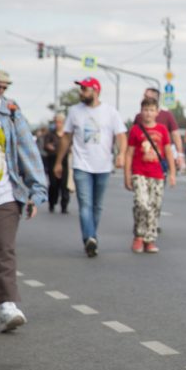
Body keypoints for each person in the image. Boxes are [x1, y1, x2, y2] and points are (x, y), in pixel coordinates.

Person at [0, 56, 47, 332]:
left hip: (3, 194)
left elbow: (28, 150)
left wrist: (37, 189)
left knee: (3, 248)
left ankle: (7, 305)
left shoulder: (10, 113)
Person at [54, 77, 127, 258]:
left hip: (103, 165)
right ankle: (90, 238)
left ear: (96, 91)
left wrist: (121, 154)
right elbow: (66, 137)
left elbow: (121, 136)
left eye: (85, 89)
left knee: (97, 206)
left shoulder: (110, 112)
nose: (82, 92)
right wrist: (58, 161)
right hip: (81, 165)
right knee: (85, 204)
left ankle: (90, 236)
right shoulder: (74, 111)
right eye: (81, 89)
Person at [124, 96, 176, 253]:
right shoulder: (135, 130)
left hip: (157, 174)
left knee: (155, 206)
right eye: (145, 110)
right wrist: (127, 175)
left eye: (151, 110)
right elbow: (129, 154)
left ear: (157, 112)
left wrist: (172, 173)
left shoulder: (162, 130)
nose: (148, 113)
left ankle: (150, 239)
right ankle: (139, 236)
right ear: (141, 112)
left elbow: (167, 152)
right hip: (139, 172)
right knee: (141, 203)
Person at [132, 88, 184, 171]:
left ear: (155, 98)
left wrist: (180, 155)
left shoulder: (167, 115)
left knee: (159, 182)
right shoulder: (139, 117)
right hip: (141, 160)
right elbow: (132, 139)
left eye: (146, 96)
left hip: (160, 158)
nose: (143, 98)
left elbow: (175, 135)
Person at [43, 113, 70, 213]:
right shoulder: (50, 134)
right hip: (52, 160)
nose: (58, 124)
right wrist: (50, 147)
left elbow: (71, 145)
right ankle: (52, 202)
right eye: (56, 122)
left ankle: (64, 205)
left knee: (64, 184)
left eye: (60, 122)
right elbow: (45, 145)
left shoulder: (67, 135)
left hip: (64, 161)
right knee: (53, 184)